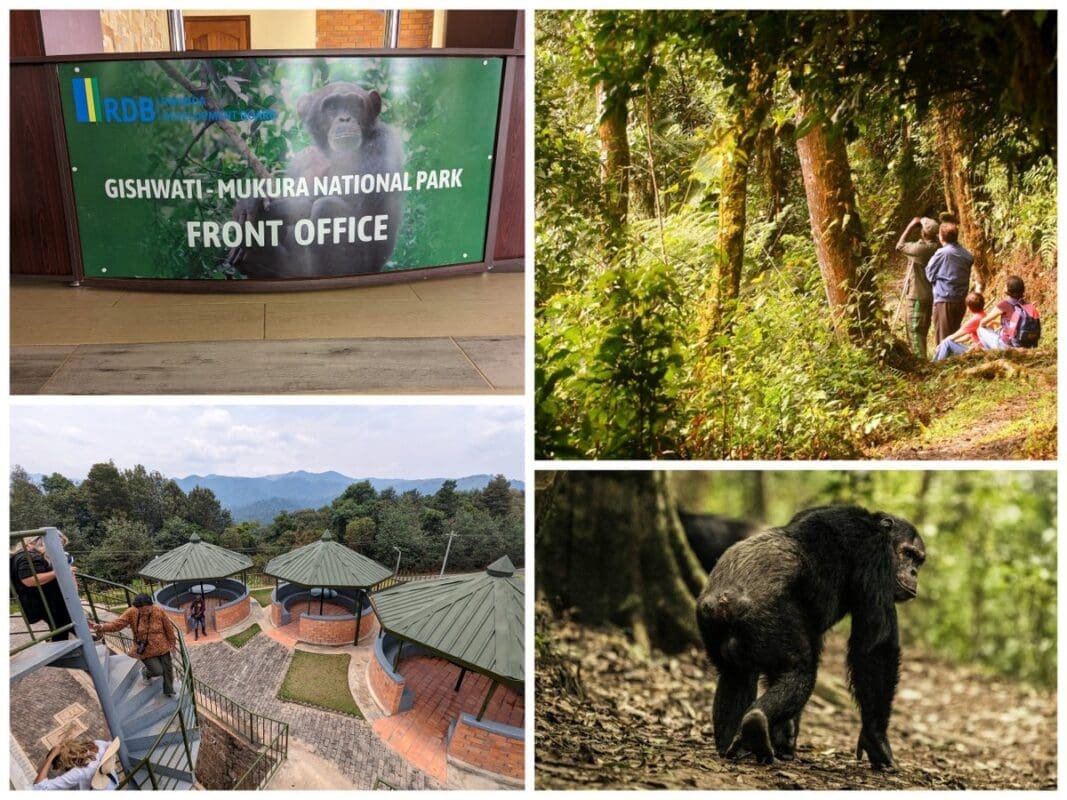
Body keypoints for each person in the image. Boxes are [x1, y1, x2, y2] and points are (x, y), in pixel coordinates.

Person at [90, 594, 177, 697]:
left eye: (147, 610)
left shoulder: (158, 610)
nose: (145, 613)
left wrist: (172, 644)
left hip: (163, 646)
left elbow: (169, 628)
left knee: (167, 668)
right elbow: (117, 624)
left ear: (151, 605)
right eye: (142, 611)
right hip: (145, 649)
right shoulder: (131, 612)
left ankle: (168, 691)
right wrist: (102, 627)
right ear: (137, 608)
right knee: (157, 671)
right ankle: (146, 672)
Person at [10, 534, 74, 641]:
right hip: (44, 602)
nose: (58, 549)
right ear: (35, 543)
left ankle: (84, 638)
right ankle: (62, 652)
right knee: (61, 627)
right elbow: (29, 580)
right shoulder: (29, 556)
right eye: (56, 545)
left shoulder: (25, 555)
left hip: (43, 601)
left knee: (62, 625)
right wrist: (60, 572)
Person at [895, 216, 940, 358]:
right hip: (929, 294)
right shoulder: (937, 247)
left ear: (924, 233)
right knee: (922, 330)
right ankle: (923, 359)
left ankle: (922, 365)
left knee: (915, 331)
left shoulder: (922, 249)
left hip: (917, 296)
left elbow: (900, 246)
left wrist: (910, 225)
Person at [925, 221, 974, 344]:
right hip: (961, 300)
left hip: (944, 300)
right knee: (954, 335)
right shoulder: (967, 254)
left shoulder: (943, 253)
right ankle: (954, 361)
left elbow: (929, 273)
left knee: (943, 339)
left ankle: (942, 362)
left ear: (941, 237)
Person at [976, 275, 1041, 351]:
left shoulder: (1004, 304)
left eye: (1005, 285)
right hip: (1027, 346)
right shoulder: (1028, 305)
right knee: (999, 330)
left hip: (1008, 347)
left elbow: (983, 322)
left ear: (1008, 289)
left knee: (980, 329)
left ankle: (991, 353)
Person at [32, 735, 120, 790]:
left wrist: (51, 757)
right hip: (114, 783)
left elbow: (39, 786)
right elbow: (110, 744)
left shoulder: (78, 772)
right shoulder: (97, 744)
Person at [932, 291, 986, 360]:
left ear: (969, 308)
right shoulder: (984, 315)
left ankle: (937, 364)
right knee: (946, 342)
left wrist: (940, 344)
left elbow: (953, 337)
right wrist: (954, 342)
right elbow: (968, 336)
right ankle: (933, 362)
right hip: (981, 349)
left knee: (946, 343)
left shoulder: (974, 320)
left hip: (979, 351)